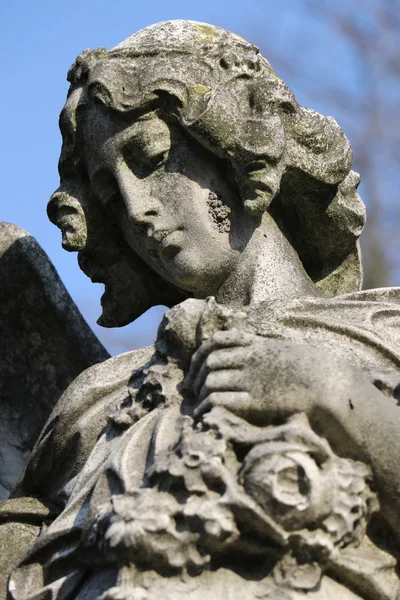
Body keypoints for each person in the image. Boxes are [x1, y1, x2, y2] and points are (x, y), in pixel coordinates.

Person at [3, 21, 400, 600]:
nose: (137, 209)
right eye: (111, 197)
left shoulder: (383, 334)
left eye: (152, 157)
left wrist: (330, 390)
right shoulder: (98, 399)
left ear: (234, 143)